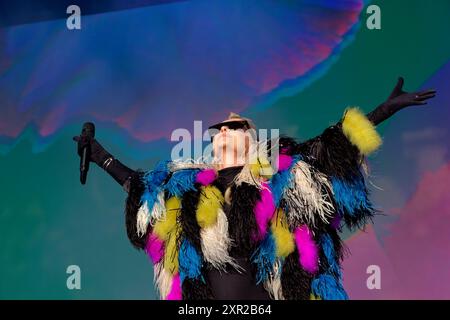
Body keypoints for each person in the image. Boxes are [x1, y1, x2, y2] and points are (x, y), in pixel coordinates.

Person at [73, 77, 435, 300]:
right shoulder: (186, 188)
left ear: (252, 141)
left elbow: (330, 146)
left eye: (236, 127)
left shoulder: (277, 175)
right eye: (220, 129)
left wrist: (383, 112)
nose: (225, 131)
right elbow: (140, 187)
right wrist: (100, 154)